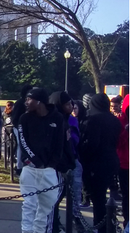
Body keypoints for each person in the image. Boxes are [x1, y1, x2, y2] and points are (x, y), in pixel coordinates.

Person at [17, 87, 64, 233]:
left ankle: (40, 231)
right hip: (30, 168)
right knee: (29, 205)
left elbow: (59, 143)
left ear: (39, 102)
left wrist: (52, 164)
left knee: (46, 207)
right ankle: (26, 231)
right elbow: (23, 141)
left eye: (29, 99)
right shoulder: (25, 118)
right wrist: (34, 159)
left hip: (49, 170)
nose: (26, 102)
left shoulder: (57, 118)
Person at [79, 93, 121, 233]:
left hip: (96, 162)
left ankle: (100, 227)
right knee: (106, 197)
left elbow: (92, 143)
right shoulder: (114, 120)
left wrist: (83, 153)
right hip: (112, 159)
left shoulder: (93, 119)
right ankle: (107, 226)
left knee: (98, 199)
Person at [49, 91, 82, 233]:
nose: (70, 107)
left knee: (61, 196)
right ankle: (53, 226)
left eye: (71, 104)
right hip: (58, 165)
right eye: (67, 104)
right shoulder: (56, 121)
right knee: (55, 198)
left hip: (68, 162)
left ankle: (56, 223)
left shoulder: (66, 119)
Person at [116, 95, 129, 227]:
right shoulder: (120, 121)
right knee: (127, 195)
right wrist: (126, 132)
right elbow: (117, 144)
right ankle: (127, 219)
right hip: (125, 164)